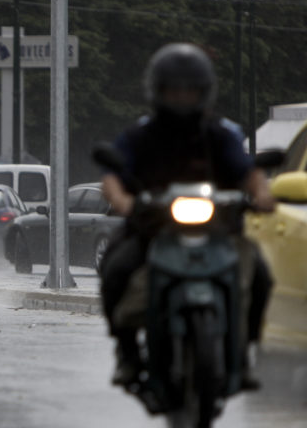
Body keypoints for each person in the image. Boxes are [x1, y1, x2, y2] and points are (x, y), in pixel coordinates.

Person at [98, 42, 276, 388]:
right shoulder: (141, 133)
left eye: (190, 90)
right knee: (114, 269)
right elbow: (113, 177)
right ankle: (128, 353)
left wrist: (262, 193)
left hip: (219, 229)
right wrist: (123, 201)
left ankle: (244, 353)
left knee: (262, 276)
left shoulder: (220, 133)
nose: (182, 97)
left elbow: (247, 170)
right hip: (151, 229)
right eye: (173, 90)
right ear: (158, 91)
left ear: (204, 92)